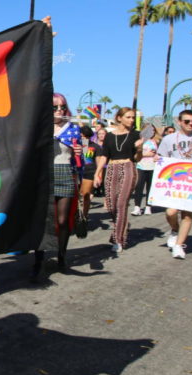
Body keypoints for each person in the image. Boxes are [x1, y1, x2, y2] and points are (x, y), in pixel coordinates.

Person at [31, 92, 83, 278]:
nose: (59, 110)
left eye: (62, 106)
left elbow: (79, 159)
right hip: (45, 175)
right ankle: (39, 260)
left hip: (65, 173)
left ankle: (62, 256)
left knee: (62, 221)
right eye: (55, 107)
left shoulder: (72, 128)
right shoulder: (40, 127)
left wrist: (79, 151)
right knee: (44, 220)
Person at [156, 110, 192, 259]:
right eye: (187, 121)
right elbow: (163, 159)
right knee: (171, 212)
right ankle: (175, 229)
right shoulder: (169, 139)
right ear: (179, 122)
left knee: (187, 215)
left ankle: (179, 246)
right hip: (174, 182)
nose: (191, 124)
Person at [95, 107, 143, 254]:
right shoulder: (109, 136)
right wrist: (98, 172)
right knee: (110, 205)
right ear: (119, 118)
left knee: (122, 204)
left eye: (133, 117)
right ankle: (122, 225)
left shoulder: (135, 135)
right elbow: (104, 155)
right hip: (111, 168)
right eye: (128, 117)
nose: (131, 120)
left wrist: (140, 149)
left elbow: (137, 158)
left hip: (128, 167)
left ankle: (118, 239)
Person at [78, 126, 104, 224]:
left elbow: (99, 163)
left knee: (85, 195)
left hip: (89, 173)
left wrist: (99, 176)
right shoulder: (77, 144)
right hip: (77, 172)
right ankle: (78, 215)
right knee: (79, 196)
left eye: (82, 135)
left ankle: (84, 216)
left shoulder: (95, 147)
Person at [131, 130, 157, 216]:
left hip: (152, 167)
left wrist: (157, 156)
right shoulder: (139, 141)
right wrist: (146, 154)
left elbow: (158, 154)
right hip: (141, 167)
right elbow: (134, 155)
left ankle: (148, 207)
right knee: (139, 187)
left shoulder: (156, 141)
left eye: (152, 130)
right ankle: (137, 207)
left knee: (150, 188)